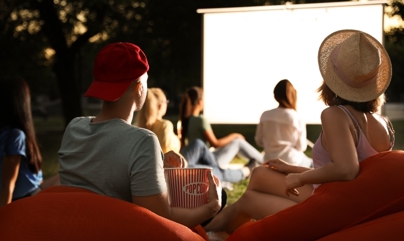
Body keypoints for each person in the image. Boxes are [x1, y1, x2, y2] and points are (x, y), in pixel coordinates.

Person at [204, 29, 395, 236]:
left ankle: (205, 231)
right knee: (259, 173)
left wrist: (300, 178)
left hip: (332, 210)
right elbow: (351, 172)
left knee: (250, 199)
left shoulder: (336, 115)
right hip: (349, 203)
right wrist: (292, 169)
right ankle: (225, 232)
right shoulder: (382, 122)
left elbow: (347, 170)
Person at [58, 42, 221, 228]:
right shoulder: (143, 140)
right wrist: (212, 208)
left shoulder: (74, 127)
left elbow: (102, 168)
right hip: (117, 240)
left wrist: (155, 163)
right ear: (139, 88)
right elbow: (161, 220)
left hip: (74, 229)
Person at [136, 88, 248, 187]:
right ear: (161, 106)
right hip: (175, 170)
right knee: (214, 172)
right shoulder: (165, 125)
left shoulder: (139, 128)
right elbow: (166, 154)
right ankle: (246, 171)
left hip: (170, 165)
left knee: (198, 144)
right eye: (166, 102)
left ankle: (221, 169)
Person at [178, 86, 263, 180]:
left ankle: (260, 162)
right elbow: (215, 143)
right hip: (208, 159)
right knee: (238, 141)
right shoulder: (200, 120)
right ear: (200, 102)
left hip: (196, 160)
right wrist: (234, 135)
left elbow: (183, 145)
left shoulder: (186, 120)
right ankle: (264, 162)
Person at [0, 77, 43, 206]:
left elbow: (8, 186)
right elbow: (8, 186)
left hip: (26, 198)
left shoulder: (12, 135)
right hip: (24, 199)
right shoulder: (12, 135)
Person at [255, 79, 313, 167]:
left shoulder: (265, 115)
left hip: (269, 160)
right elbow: (302, 147)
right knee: (313, 163)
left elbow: (259, 141)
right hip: (292, 160)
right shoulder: (296, 116)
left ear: (275, 95)